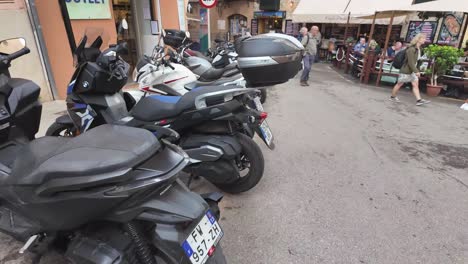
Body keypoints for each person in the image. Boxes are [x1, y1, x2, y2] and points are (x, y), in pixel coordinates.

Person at [389, 33, 431, 106]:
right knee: (399, 84)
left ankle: (419, 100)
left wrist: (417, 69)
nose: (425, 40)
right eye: (423, 38)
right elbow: (410, 62)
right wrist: (416, 71)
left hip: (412, 71)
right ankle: (392, 97)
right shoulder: (411, 49)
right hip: (406, 70)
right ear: (418, 39)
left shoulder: (419, 49)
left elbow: (417, 61)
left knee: (415, 85)